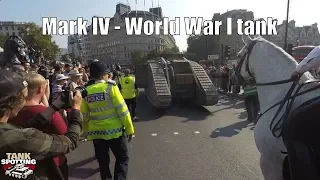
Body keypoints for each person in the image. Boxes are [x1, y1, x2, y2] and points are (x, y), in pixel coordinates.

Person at [0, 69, 83, 180]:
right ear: (11, 101)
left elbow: (24, 128)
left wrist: (54, 107)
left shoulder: (9, 133)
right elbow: (70, 142)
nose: (24, 102)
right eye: (22, 98)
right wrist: (76, 110)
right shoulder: (21, 138)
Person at [81, 61, 134, 180]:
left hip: (96, 133)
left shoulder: (86, 90)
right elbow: (123, 111)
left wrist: (85, 132)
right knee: (122, 158)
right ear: (103, 75)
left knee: (103, 163)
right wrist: (130, 129)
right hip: (115, 132)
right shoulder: (111, 87)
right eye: (107, 74)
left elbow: (84, 115)